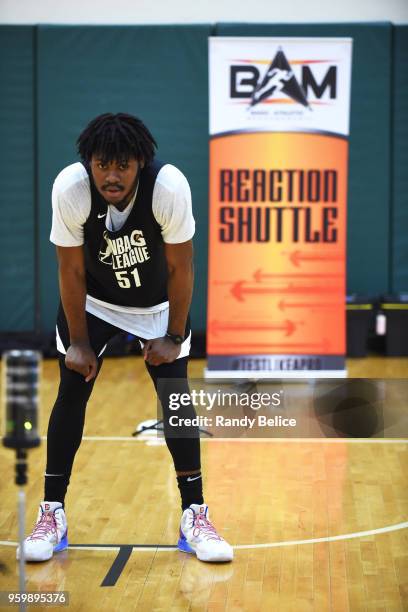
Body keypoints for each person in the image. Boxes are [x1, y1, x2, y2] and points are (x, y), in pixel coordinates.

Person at [17, 113, 233, 564]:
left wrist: (173, 335)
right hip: (94, 302)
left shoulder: (168, 187)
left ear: (139, 162)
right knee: (71, 393)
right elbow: (70, 269)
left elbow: (181, 266)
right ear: (89, 164)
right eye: (101, 166)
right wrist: (79, 342)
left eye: (121, 166)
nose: (111, 176)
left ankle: (195, 515)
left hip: (155, 306)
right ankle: (52, 512)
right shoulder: (70, 189)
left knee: (175, 399)